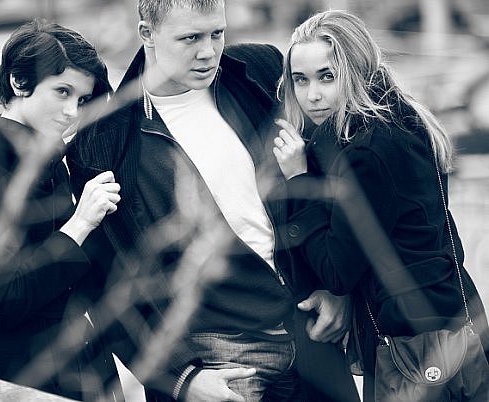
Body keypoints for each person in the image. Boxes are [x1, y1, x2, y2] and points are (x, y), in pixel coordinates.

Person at [67, 1, 360, 401]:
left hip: (310, 329)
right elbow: (107, 284)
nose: (208, 52)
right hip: (215, 359)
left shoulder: (259, 71)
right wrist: (180, 378)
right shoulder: (104, 141)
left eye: (216, 34)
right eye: (190, 38)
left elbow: (331, 176)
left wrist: (338, 287)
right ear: (147, 33)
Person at [273, 9, 489, 401]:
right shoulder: (403, 121)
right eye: (300, 80)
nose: (312, 95)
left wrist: (298, 179)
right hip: (451, 320)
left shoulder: (368, 152)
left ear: (356, 71)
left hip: (414, 345)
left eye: (327, 76)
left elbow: (337, 271)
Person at [0, 20, 123, 401]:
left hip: (93, 373)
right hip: (21, 377)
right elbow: (1, 300)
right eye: (62, 91)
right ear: (19, 82)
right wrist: (79, 225)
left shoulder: (63, 168)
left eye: (82, 100)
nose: (72, 111)